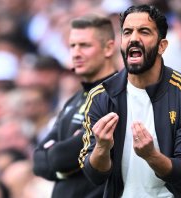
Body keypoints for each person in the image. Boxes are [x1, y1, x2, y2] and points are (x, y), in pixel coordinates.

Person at [79, 5, 181, 197]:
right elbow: (93, 175)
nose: (134, 38)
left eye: (144, 31)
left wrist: (151, 155)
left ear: (162, 46)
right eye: (127, 32)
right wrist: (101, 147)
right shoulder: (100, 96)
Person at [32, 14, 118, 197]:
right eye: (72, 46)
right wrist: (61, 159)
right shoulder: (75, 99)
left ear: (109, 48)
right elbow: (38, 159)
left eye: (85, 45)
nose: (76, 53)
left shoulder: (117, 96)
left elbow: (58, 158)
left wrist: (56, 155)